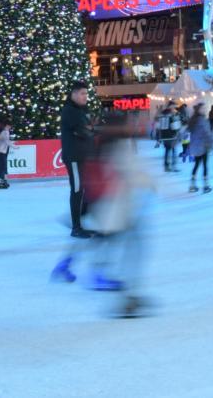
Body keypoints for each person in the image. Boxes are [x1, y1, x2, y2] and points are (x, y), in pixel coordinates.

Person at [50, 114, 153, 318]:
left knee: (96, 236)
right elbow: (127, 171)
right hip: (106, 201)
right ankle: (99, 276)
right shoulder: (114, 143)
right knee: (105, 238)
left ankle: (68, 264)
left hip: (95, 198)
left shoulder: (98, 139)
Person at [60, 81, 95, 238]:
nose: (85, 97)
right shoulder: (70, 111)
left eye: (86, 94)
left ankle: (81, 218)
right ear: (73, 94)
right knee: (77, 189)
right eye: (82, 93)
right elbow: (83, 131)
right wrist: (88, 130)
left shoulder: (82, 110)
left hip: (83, 155)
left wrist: (89, 130)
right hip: (74, 156)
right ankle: (76, 227)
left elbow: (89, 128)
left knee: (86, 188)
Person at [187, 99, 213, 193]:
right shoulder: (202, 120)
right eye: (203, 108)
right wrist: (211, 142)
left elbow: (189, 131)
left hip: (195, 146)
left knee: (197, 164)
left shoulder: (193, 120)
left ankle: (192, 184)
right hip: (203, 146)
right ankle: (206, 185)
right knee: (205, 165)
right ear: (199, 110)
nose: (205, 110)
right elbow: (207, 133)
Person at [157, 105, 182, 172]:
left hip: (164, 137)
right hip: (172, 137)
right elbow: (175, 127)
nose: (174, 109)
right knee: (174, 151)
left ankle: (166, 166)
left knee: (167, 151)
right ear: (170, 108)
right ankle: (174, 166)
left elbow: (158, 127)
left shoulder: (161, 116)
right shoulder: (171, 116)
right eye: (173, 108)